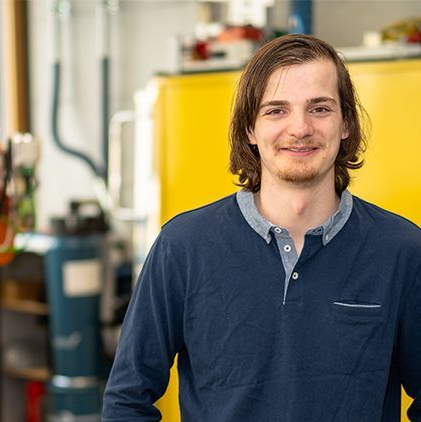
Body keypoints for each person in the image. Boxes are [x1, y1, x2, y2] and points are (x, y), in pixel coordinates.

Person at [102, 34, 421, 421]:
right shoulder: (183, 247)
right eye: (276, 110)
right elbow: (127, 400)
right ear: (250, 129)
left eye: (319, 108)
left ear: (346, 125)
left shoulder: (402, 251)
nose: (300, 128)